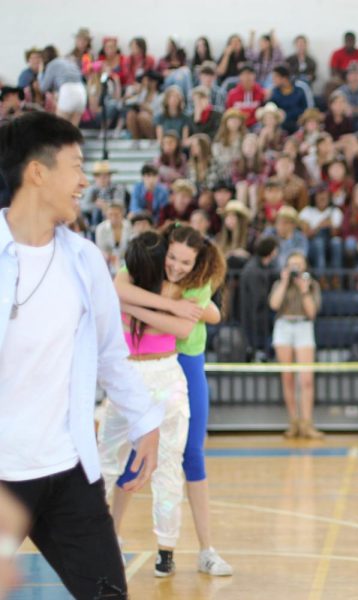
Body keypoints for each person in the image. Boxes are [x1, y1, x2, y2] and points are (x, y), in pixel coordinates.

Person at [0, 111, 162, 599]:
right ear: (37, 172)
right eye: (75, 166)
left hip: (68, 469)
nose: (84, 181)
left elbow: (112, 354)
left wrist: (145, 421)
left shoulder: (85, 259)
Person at [113, 224, 232, 577]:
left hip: (185, 363)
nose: (177, 266)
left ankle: (206, 550)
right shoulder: (146, 266)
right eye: (173, 258)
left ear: (196, 262)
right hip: (146, 365)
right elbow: (117, 289)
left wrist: (137, 309)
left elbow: (187, 326)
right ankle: (112, 537)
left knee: (192, 454)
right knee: (134, 453)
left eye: (185, 261)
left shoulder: (200, 280)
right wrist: (166, 306)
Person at [98, 231, 194, 579]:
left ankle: (103, 543)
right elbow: (189, 325)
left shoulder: (122, 288)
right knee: (168, 466)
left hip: (129, 379)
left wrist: (130, 307)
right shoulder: (177, 291)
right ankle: (165, 552)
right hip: (166, 375)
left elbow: (117, 289)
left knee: (108, 463)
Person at [270, 251, 325, 439]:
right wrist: (285, 282)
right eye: (292, 265)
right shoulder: (280, 284)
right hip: (284, 326)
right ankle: (293, 422)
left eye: (299, 265)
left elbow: (311, 313)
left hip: (303, 326)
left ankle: (307, 423)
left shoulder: (312, 285)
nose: (295, 269)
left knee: (306, 378)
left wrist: (304, 290)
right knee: (287, 377)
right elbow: (274, 304)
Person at [239, 236, 279, 361]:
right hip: (256, 315)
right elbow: (258, 298)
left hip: (258, 314)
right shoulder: (254, 270)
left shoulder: (261, 267)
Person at [299, 184, 344, 273]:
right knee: (319, 243)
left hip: (330, 244)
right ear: (314, 197)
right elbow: (304, 235)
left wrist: (330, 225)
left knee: (337, 242)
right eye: (319, 195)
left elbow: (338, 234)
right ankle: (321, 276)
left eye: (325, 195)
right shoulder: (307, 211)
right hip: (313, 246)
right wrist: (319, 227)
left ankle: (336, 277)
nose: (322, 197)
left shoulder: (335, 211)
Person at [39, 46, 87, 126]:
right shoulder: (68, 61)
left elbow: (43, 88)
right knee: (73, 130)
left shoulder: (52, 64)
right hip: (81, 91)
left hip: (68, 91)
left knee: (60, 127)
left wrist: (40, 72)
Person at [83, 160, 129, 226]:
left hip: (114, 217)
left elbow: (119, 204)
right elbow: (84, 206)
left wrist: (105, 205)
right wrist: (97, 206)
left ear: (109, 176)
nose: (102, 178)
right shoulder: (91, 189)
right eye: (99, 176)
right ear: (95, 177)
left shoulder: (118, 188)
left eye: (105, 175)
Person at [270, 65, 313, 135]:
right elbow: (271, 109)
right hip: (282, 126)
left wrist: (303, 118)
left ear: (284, 78)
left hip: (300, 124)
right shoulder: (275, 92)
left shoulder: (301, 87)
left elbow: (310, 108)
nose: (273, 80)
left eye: (275, 77)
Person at [124, 70, 163, 140]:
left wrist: (146, 108)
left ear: (155, 82)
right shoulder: (143, 93)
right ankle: (135, 139)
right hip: (140, 122)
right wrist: (138, 91)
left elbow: (159, 115)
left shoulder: (160, 96)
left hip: (154, 124)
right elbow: (127, 102)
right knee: (131, 114)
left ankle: (152, 139)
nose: (145, 83)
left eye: (148, 81)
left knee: (142, 116)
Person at [94, 201, 132, 274]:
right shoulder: (100, 228)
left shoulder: (128, 225)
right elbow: (101, 249)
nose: (113, 217)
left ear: (122, 214)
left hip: (126, 259)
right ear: (106, 215)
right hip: (108, 261)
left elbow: (131, 246)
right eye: (110, 214)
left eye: (116, 214)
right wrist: (113, 260)